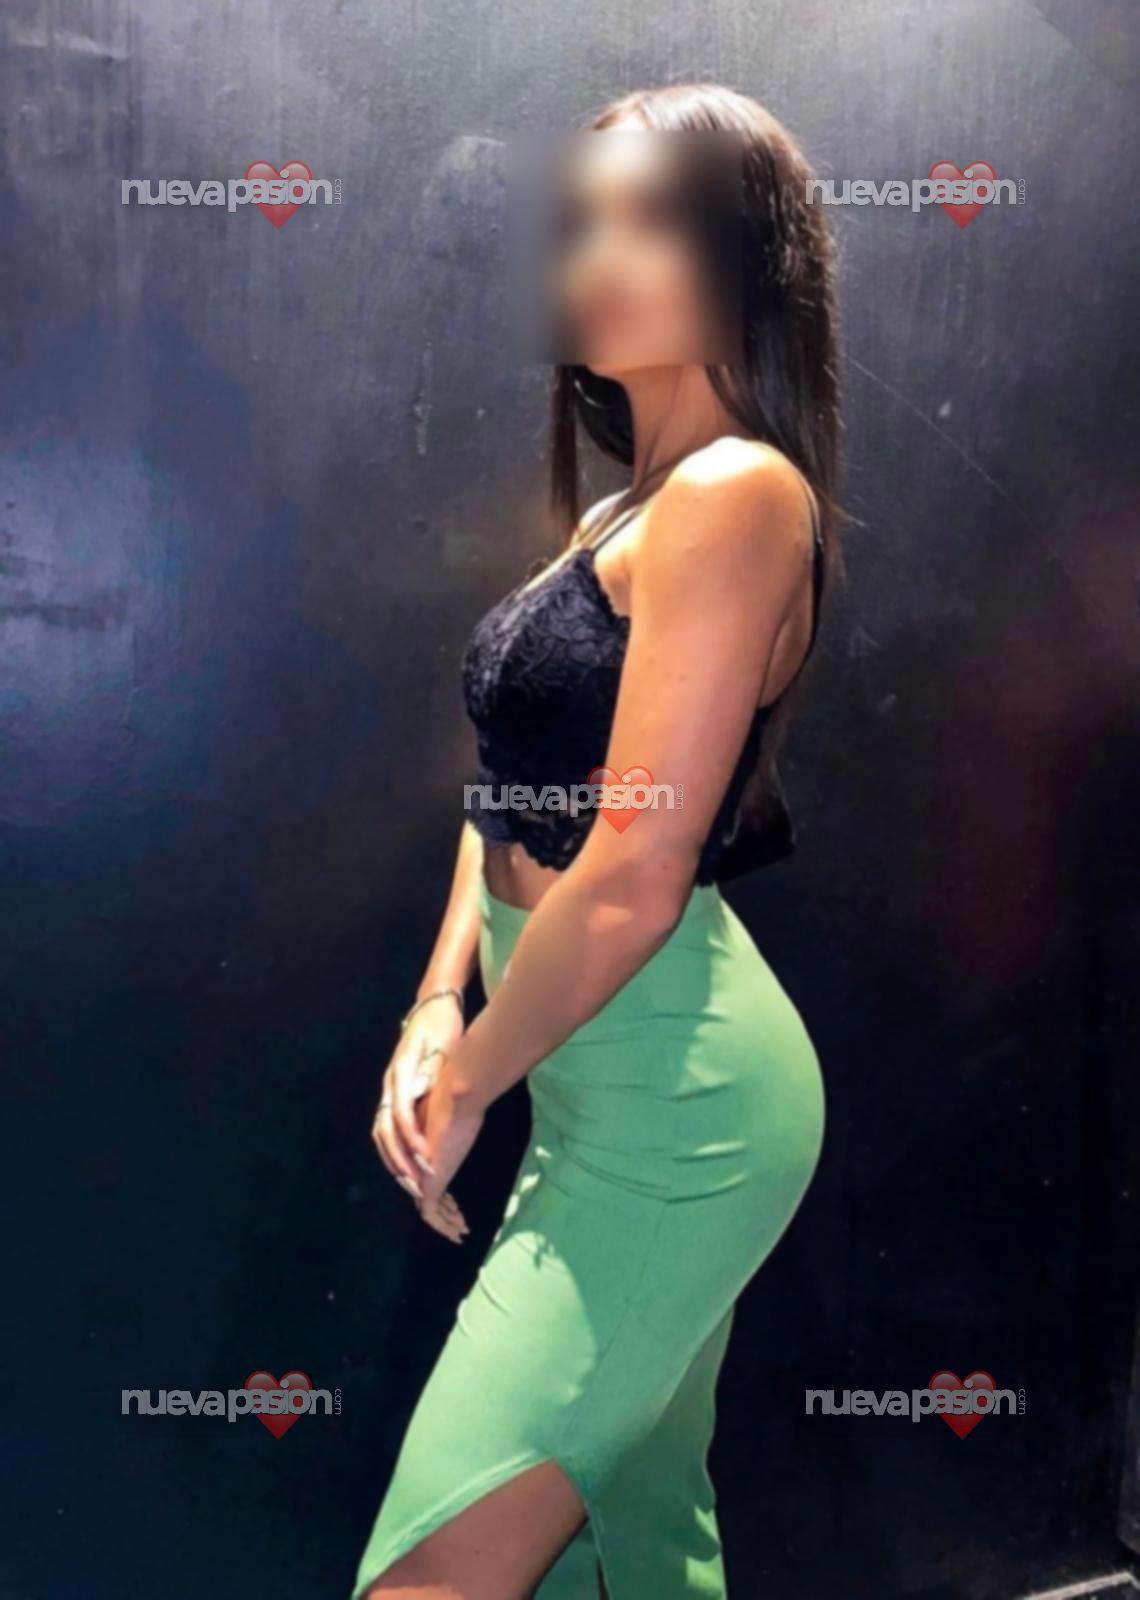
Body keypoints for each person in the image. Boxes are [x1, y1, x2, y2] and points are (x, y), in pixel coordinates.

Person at [356, 81, 842, 1600]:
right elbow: (508, 788)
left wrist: (468, 1081)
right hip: (585, 1071)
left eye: (654, 219)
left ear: (748, 254)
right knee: (634, 1546)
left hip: (672, 1104)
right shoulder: (623, 511)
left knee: (432, 1580)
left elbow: (631, 872)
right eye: (580, 223)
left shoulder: (739, 493)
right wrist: (440, 1001)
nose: (598, 257)